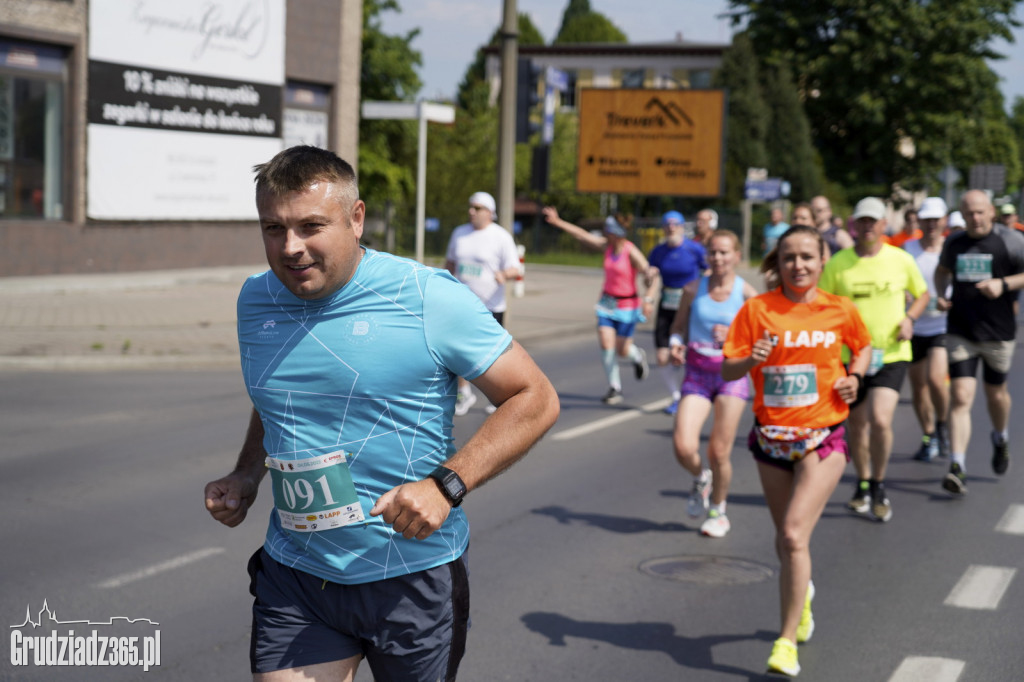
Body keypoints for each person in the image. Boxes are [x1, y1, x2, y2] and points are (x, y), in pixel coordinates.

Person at [204, 146, 560, 682]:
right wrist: (247, 472)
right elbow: (277, 395)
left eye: (310, 226)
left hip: (409, 573)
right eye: (273, 228)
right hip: (297, 575)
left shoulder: (426, 298)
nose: (290, 248)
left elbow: (535, 396)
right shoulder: (256, 299)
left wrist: (446, 486)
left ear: (356, 218)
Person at [723, 224, 871, 677]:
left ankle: (785, 641)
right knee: (787, 542)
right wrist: (753, 359)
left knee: (792, 535)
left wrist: (855, 378)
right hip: (771, 438)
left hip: (823, 437)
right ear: (778, 262)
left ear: (823, 258)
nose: (798, 265)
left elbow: (863, 347)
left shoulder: (839, 309)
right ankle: (801, 592)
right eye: (789, 257)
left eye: (807, 256)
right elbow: (728, 367)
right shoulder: (757, 310)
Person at [820, 197, 929, 523]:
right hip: (851, 358)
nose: (868, 226)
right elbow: (824, 306)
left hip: (892, 353)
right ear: (854, 224)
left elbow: (922, 293)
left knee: (881, 420)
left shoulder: (900, 259)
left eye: (874, 221)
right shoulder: (838, 264)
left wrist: (910, 317)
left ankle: (879, 484)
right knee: (857, 425)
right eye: (862, 221)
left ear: (884, 225)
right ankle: (863, 481)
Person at [668, 231, 758, 537]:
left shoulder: (747, 295)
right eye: (713, 253)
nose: (718, 259)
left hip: (731, 377)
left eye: (724, 253)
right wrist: (676, 345)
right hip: (697, 375)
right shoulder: (693, 289)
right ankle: (700, 478)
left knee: (719, 451)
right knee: (683, 445)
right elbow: (678, 328)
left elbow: (763, 341)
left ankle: (718, 511)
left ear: (736, 255)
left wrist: (735, 337)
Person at [934, 190, 1024, 495]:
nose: (975, 218)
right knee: (960, 395)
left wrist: (1004, 284)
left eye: (980, 212)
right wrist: (943, 295)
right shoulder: (954, 242)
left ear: (991, 213)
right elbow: (942, 272)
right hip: (962, 329)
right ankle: (957, 465)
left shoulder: (1010, 240)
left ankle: (1000, 437)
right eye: (969, 213)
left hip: (999, 332)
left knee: (996, 395)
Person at [543, 206, 652, 404]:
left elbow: (648, 271)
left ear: (616, 233)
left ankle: (637, 356)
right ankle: (614, 387)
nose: (605, 235)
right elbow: (581, 235)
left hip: (627, 305)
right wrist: (558, 222)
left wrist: (649, 291)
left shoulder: (630, 251)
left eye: (608, 231)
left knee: (622, 350)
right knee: (605, 342)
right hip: (607, 303)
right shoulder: (606, 247)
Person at [445, 191, 522, 416]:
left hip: (491, 305)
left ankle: (497, 395)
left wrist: (504, 275)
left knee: (492, 355)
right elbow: (450, 263)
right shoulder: (459, 233)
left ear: (489, 212)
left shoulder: (500, 236)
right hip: (461, 304)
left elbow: (515, 268)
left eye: (477, 208)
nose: (472, 211)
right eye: (471, 207)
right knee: (457, 349)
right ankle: (464, 393)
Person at [903, 197, 952, 462]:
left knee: (936, 379)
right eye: (927, 219)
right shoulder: (908, 248)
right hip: (915, 325)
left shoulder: (951, 248)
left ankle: (942, 424)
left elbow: (960, 282)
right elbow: (897, 281)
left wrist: (950, 299)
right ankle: (929, 434)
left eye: (936, 219)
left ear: (944, 221)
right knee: (918, 387)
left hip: (941, 325)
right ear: (919, 221)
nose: (932, 224)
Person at [646, 210, 708, 415]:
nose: (671, 228)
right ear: (663, 228)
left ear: (682, 227)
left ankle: (691, 394)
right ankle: (676, 396)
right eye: (667, 225)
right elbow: (651, 278)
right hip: (667, 306)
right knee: (663, 356)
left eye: (675, 225)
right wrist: (648, 293)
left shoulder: (694, 249)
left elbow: (708, 272)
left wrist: (700, 292)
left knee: (690, 355)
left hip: (689, 307)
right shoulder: (658, 252)